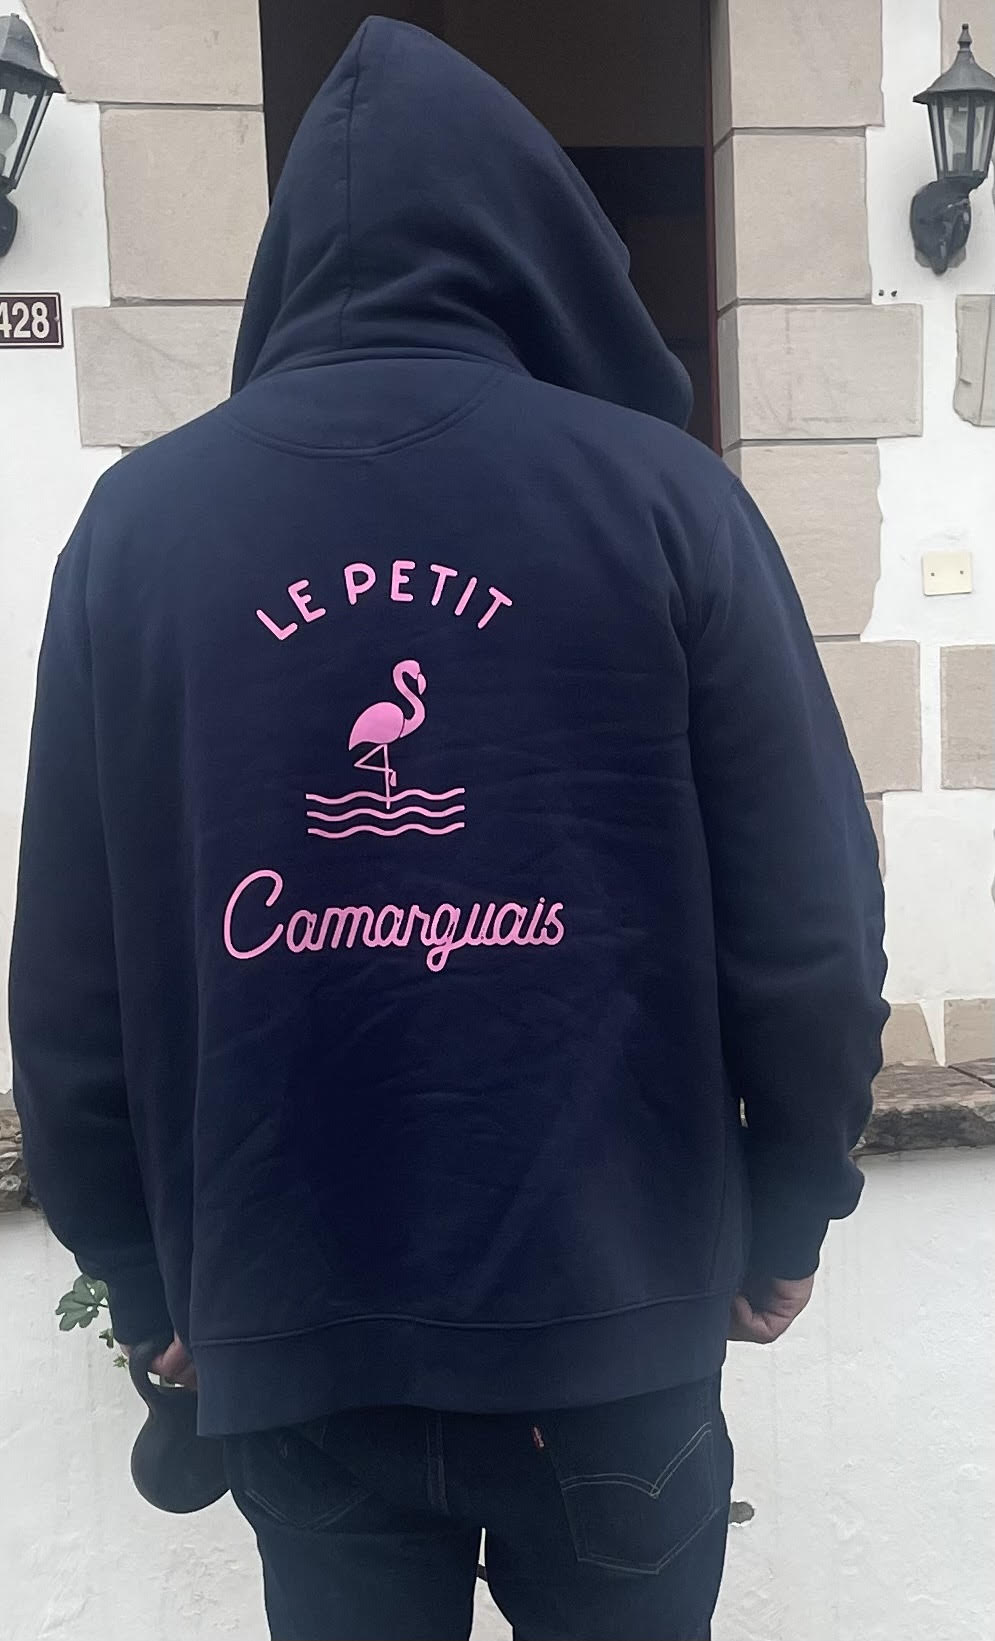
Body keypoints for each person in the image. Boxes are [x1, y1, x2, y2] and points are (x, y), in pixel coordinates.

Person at [9, 19, 887, 1641]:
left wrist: (140, 1273)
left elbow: (67, 986)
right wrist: (784, 1214)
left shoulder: (134, 536)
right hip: (610, 1335)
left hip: (297, 1341)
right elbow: (814, 928)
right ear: (535, 237)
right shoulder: (669, 501)